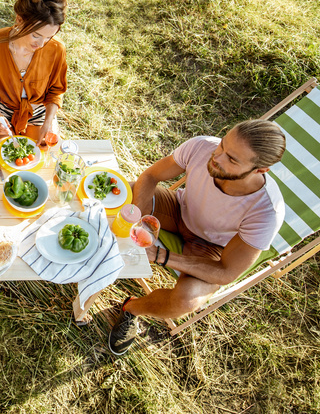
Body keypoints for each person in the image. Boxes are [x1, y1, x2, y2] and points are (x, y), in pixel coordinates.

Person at [107, 119, 287, 356]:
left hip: (211, 247)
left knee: (186, 301)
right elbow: (151, 176)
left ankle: (132, 309)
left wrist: (161, 256)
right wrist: (136, 218)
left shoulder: (266, 212)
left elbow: (226, 272)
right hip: (178, 209)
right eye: (222, 145)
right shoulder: (202, 146)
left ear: (260, 170)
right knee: (119, 196)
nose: (217, 158)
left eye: (232, 159)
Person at [0, 0, 67, 144]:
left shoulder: (56, 49)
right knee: (0, 155)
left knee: (41, 154)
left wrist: (49, 121)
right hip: (1, 107)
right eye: (36, 35)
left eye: (49, 37)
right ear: (19, 19)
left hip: (38, 110)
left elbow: (56, 90)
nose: (41, 44)